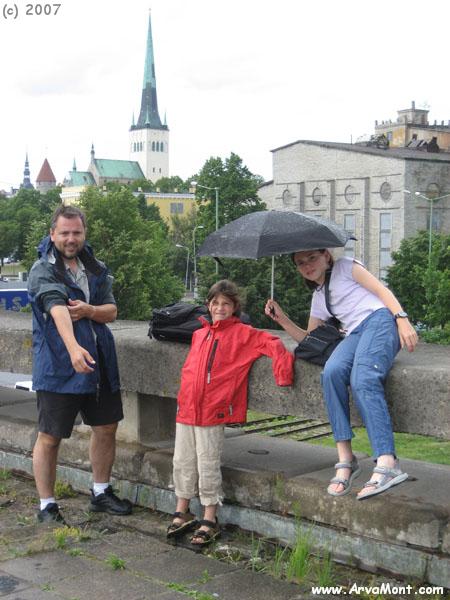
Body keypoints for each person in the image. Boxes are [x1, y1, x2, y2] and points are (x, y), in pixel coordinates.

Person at [265, 249, 418, 500]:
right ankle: (346, 458)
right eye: (301, 263)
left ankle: (388, 462)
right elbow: (310, 340)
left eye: (312, 258)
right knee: (331, 372)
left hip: (379, 321)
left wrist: (401, 319)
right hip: (355, 333)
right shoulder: (319, 297)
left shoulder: (346, 266)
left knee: (363, 379)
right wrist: (282, 320)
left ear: (326, 256)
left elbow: (382, 291)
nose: (307, 265)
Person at [167, 280, 294, 546]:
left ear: (235, 307)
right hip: (187, 407)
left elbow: (274, 344)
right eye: (215, 303)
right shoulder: (199, 334)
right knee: (182, 461)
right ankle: (182, 510)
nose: (220, 308)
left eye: (226, 303)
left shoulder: (244, 334)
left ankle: (209, 517)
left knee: (207, 463)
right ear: (208, 305)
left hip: (213, 409)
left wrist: (283, 374)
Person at [28, 205, 132, 523]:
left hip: (100, 362)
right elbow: (57, 309)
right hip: (59, 366)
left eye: (76, 232)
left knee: (106, 427)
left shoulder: (95, 267)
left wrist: (89, 311)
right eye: (64, 233)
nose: (71, 239)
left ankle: (100, 493)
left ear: (84, 233)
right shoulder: (43, 270)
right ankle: (47, 505)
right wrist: (74, 349)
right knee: (50, 436)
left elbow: (111, 311)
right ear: (52, 234)